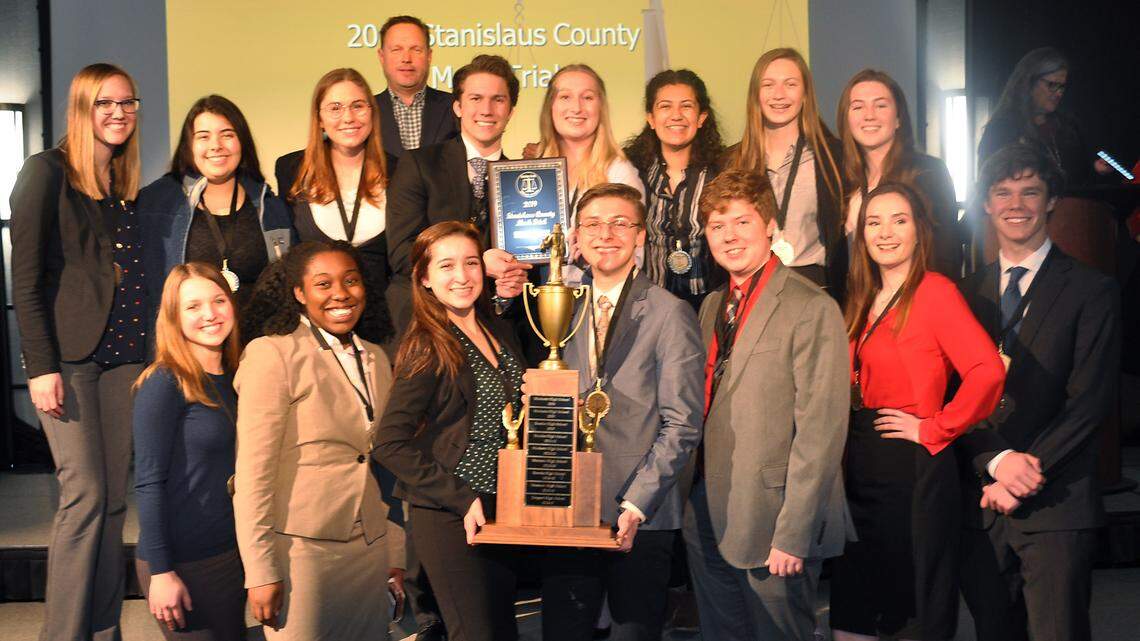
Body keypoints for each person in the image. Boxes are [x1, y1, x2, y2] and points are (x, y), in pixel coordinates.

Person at [956, 144, 1121, 641]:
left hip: (1057, 505)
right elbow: (951, 398)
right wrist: (993, 461)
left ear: (1051, 201)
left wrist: (1018, 474)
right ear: (986, 203)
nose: (1017, 204)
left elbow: (1089, 404)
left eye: (1031, 191)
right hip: (982, 508)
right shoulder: (964, 294)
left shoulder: (1093, 290)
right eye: (1003, 192)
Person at [829, 182, 1006, 641]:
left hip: (913, 473)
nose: (885, 232)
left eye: (899, 220)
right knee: (855, 615)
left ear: (918, 231)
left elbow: (987, 371)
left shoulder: (935, 291)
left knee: (914, 615)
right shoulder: (861, 296)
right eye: (874, 222)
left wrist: (936, 427)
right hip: (862, 471)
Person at [9, 62, 147, 641]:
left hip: (125, 359)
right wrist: (39, 368)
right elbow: (25, 279)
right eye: (104, 103)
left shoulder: (122, 182)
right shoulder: (45, 172)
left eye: (127, 103)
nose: (117, 113)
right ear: (82, 107)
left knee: (115, 502)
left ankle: (102, 629)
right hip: (68, 362)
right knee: (85, 493)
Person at [684, 170, 850, 641]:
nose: (730, 236)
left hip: (775, 521)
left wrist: (794, 532)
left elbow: (821, 433)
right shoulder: (712, 305)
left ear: (771, 226)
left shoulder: (811, 306)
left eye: (742, 222)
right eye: (717, 226)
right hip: (710, 514)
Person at [538, 184, 704, 641]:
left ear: (640, 237)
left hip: (641, 510)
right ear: (576, 235)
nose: (605, 234)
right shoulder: (559, 306)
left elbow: (683, 423)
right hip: (570, 508)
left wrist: (636, 503)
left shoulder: (670, 313)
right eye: (593, 224)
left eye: (620, 223)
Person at [233, 240, 405, 640]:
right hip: (302, 553)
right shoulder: (272, 354)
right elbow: (253, 475)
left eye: (351, 281)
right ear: (299, 293)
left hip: (369, 547)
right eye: (323, 284)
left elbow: (384, 467)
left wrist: (394, 549)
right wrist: (260, 571)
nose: (340, 294)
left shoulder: (376, 357)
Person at [375, 221, 526, 641]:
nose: (461, 276)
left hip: (501, 509)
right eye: (446, 266)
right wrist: (462, 498)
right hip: (451, 517)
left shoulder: (494, 327)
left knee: (501, 632)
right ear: (424, 278)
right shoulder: (427, 343)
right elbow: (388, 442)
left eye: (471, 263)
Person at [132, 263, 243, 641]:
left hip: (229, 551)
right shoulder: (162, 382)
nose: (210, 314)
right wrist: (162, 572)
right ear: (174, 317)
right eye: (193, 307)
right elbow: (147, 483)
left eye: (218, 300)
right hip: (182, 560)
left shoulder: (237, 376)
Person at [386, 54, 529, 333]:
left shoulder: (523, 181)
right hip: (424, 323)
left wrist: (511, 282)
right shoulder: (418, 164)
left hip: (496, 327)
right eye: (476, 99)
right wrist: (476, 263)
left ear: (510, 110)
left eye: (498, 100)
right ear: (458, 107)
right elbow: (403, 253)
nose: (486, 110)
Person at [139, 94, 293, 313]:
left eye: (227, 135)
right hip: (189, 342)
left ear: (242, 141)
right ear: (189, 145)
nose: (216, 146)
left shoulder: (269, 206)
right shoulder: (157, 205)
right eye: (203, 137)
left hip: (260, 341)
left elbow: (288, 279)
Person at [274, 69, 393, 346]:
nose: (348, 117)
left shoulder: (399, 171)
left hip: (385, 327)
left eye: (358, 106)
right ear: (319, 118)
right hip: (315, 330)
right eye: (335, 108)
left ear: (372, 113)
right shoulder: (291, 170)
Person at [724, 48, 845, 299]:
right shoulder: (731, 161)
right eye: (768, 84)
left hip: (815, 289)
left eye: (790, 84)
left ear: (805, 94)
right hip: (752, 289)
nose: (779, 94)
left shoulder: (833, 157)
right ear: (756, 94)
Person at [836, 69, 961, 277]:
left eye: (881, 105)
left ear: (898, 119)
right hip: (859, 302)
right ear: (846, 120)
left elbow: (947, 255)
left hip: (915, 300)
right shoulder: (842, 179)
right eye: (858, 107)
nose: (869, 115)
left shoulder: (929, 173)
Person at [624, 69, 726, 310]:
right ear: (651, 118)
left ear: (701, 117)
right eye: (665, 106)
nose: (676, 115)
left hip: (709, 304)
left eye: (686, 106)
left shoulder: (720, 173)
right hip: (645, 304)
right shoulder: (632, 172)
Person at [977, 47, 1110, 191]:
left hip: (1070, 210)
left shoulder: (1068, 126)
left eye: (1062, 87)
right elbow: (989, 183)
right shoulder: (1002, 129)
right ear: (1028, 83)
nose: (1058, 93)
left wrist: (1095, 170)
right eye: (1052, 85)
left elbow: (1080, 178)